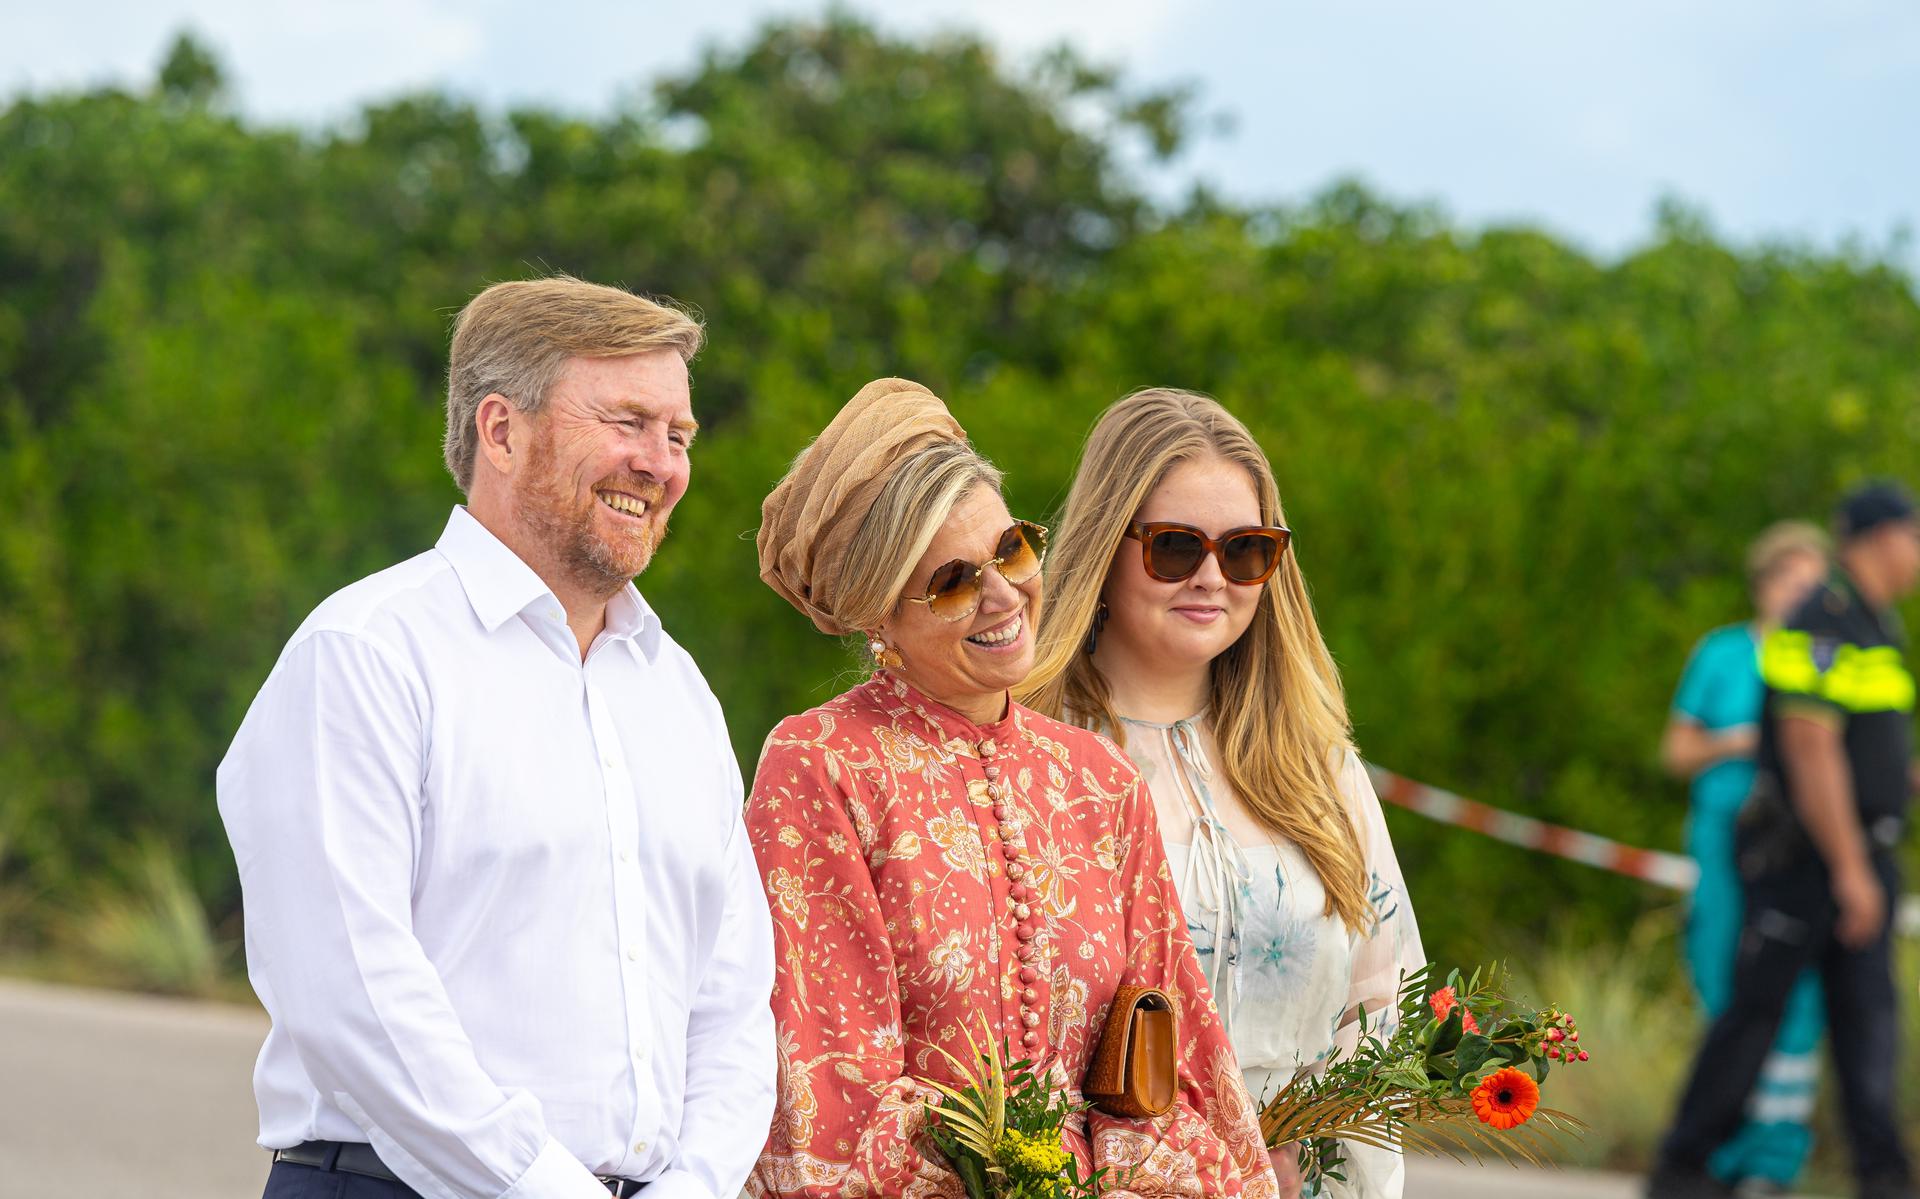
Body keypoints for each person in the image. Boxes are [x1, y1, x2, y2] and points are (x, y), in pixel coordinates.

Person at [219, 276, 776, 1199]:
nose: (662, 464)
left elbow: (730, 1002)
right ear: (502, 430)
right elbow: (350, 989)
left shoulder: (679, 694)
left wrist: (692, 1187)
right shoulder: (364, 653)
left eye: (678, 435)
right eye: (628, 421)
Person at [745, 378, 1278, 1199]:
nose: (1004, 594)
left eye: (1014, 549)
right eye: (954, 580)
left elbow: (1177, 1063)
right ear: (878, 615)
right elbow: (831, 1089)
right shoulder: (820, 765)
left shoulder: (1098, 782)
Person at [1021, 388, 1424, 1199]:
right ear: (1106, 545)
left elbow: (1385, 1006)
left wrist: (1317, 1165)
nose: (1212, 576)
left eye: (1245, 549)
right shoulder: (1028, 754)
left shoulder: (1320, 768)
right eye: (1174, 546)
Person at [1649, 482, 1920, 1199]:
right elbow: (1810, 746)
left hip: (1860, 853)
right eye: (1914, 535)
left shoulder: (1876, 625)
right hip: (1810, 859)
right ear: (1879, 537)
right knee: (1754, 1014)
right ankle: (1686, 1166)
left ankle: (1881, 1178)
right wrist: (1850, 867)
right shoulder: (1823, 621)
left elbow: (1870, 753)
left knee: (1867, 1027)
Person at [1660, 521, 1829, 1194]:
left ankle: (1774, 1156)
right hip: (1726, 841)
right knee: (1725, 985)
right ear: (1763, 584)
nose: (1803, 593)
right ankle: (1717, 1151)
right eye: (1791, 578)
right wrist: (1736, 741)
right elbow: (1676, 751)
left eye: (1815, 582)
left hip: (1799, 850)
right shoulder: (1724, 653)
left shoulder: (1827, 658)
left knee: (1797, 995)